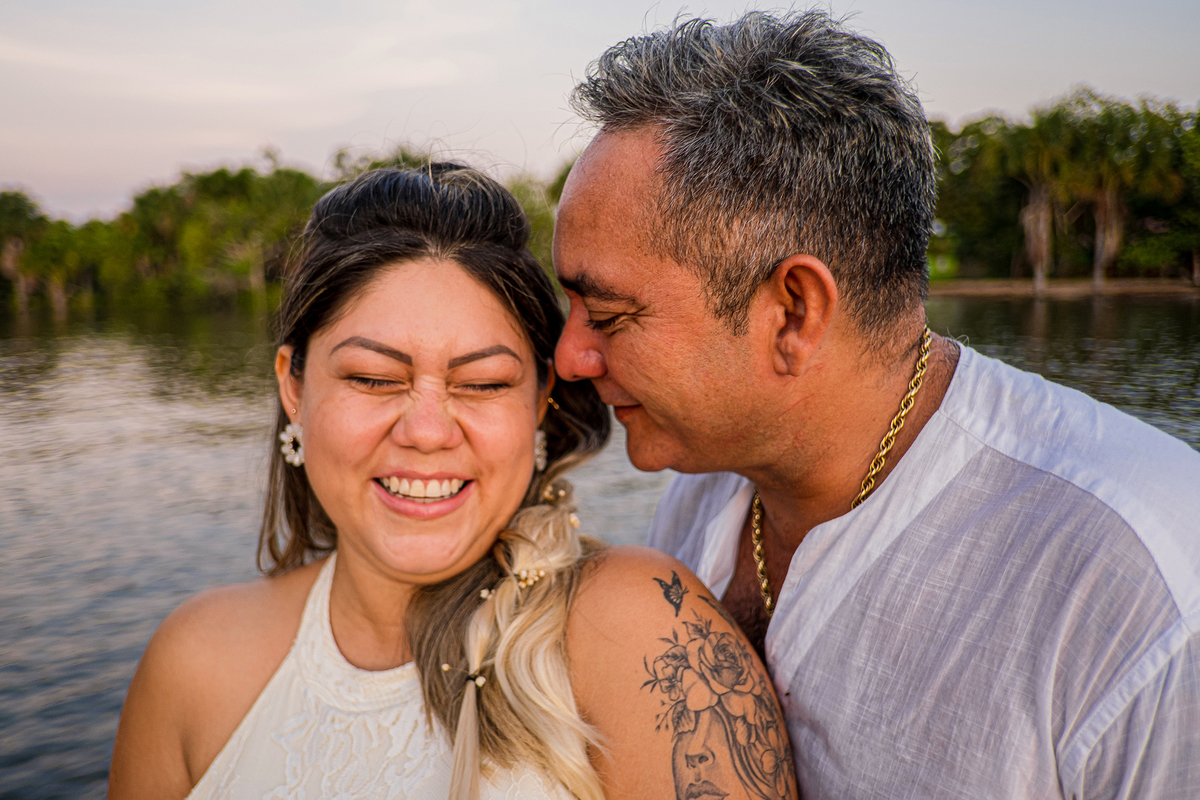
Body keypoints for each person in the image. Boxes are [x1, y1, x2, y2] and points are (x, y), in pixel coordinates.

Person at [552, 11, 1200, 800]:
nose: (569, 358)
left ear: (793, 312)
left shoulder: (1141, 589)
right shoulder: (705, 477)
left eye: (611, 316)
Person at [108, 165, 798, 800]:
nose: (429, 430)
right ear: (293, 385)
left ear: (539, 401)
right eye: (374, 378)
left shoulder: (643, 634)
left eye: (483, 383)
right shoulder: (193, 662)